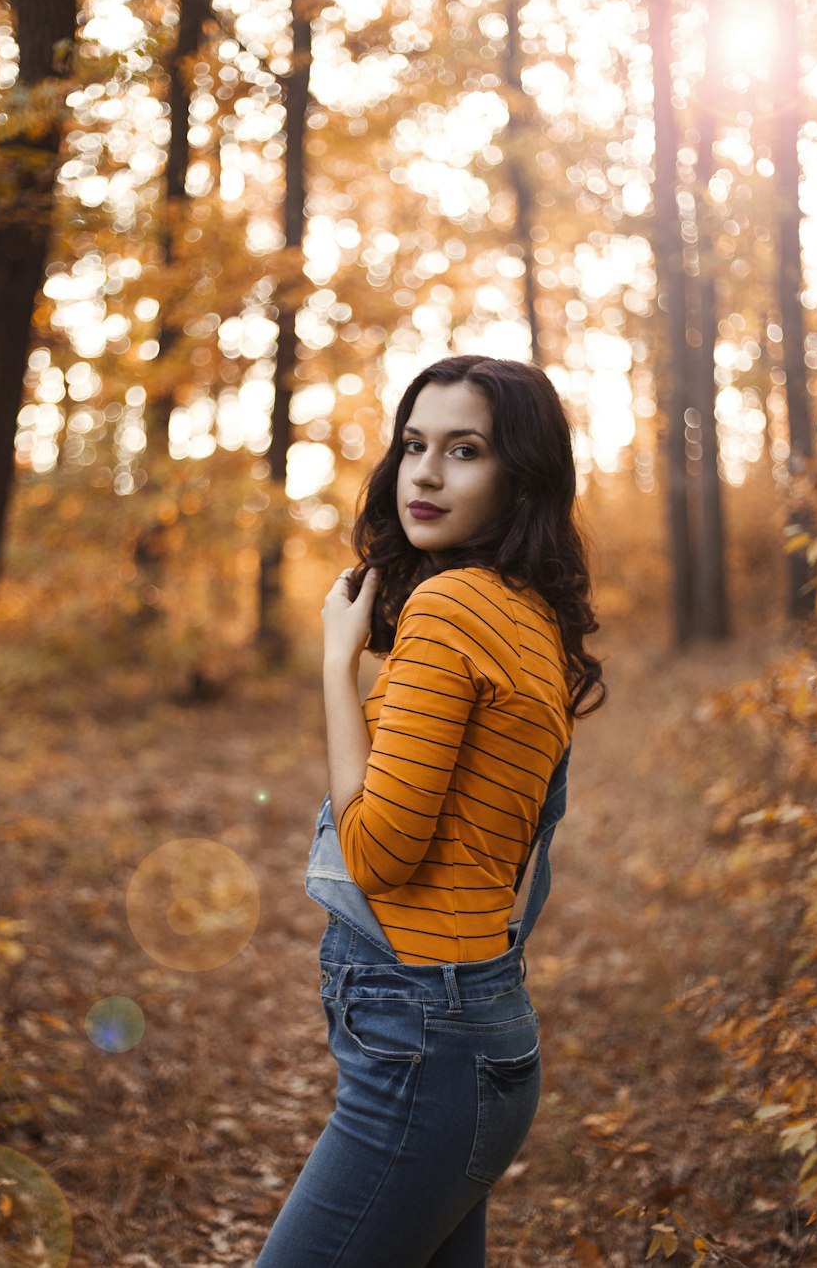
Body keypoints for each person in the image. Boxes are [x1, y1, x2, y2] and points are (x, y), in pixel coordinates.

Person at [255, 355, 605, 1268]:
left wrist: (337, 666)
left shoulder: (450, 609)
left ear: (518, 478)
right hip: (474, 1028)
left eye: (465, 450)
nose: (426, 472)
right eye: (414, 445)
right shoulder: (533, 616)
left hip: (425, 1043)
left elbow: (377, 852)